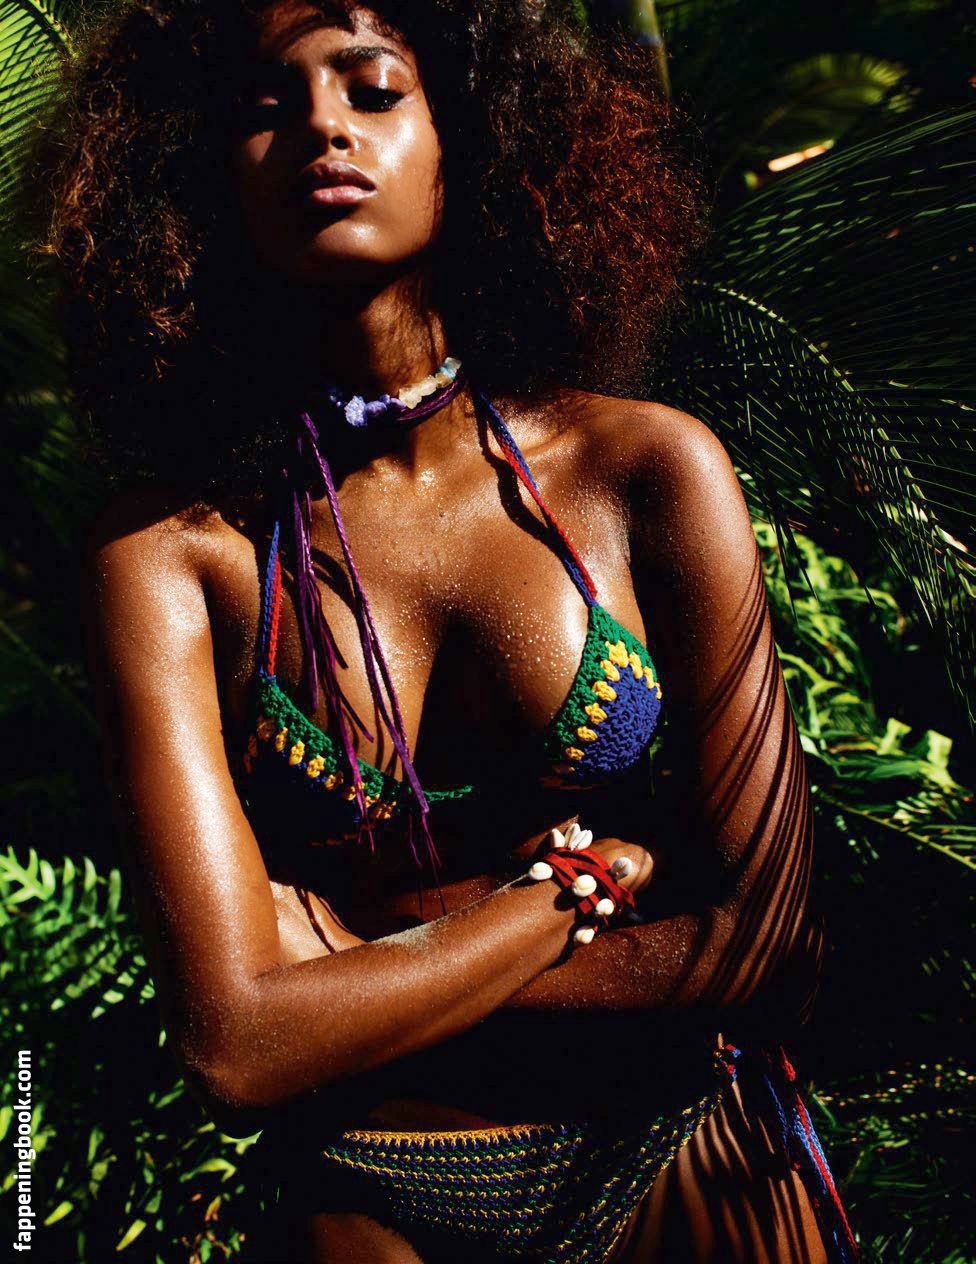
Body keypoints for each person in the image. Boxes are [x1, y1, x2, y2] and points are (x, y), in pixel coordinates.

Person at [32, 0, 855, 1258]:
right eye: (262, 109)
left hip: (682, 1162)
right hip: (375, 1194)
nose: (323, 128)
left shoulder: (640, 470)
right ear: (192, 180)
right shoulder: (172, 556)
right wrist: (568, 893)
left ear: (469, 135)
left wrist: (350, 955)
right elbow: (237, 1044)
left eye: (372, 89)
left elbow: (769, 940)